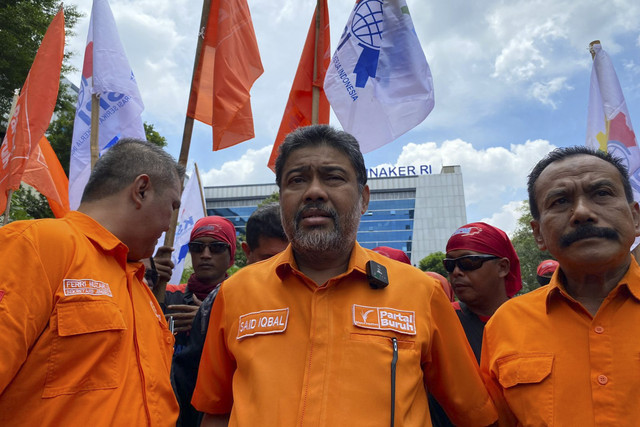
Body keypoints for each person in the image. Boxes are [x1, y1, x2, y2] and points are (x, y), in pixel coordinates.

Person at [192, 124, 497, 426]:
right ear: (282, 197)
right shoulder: (235, 293)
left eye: (333, 177)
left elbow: (474, 415)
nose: (313, 191)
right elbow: (216, 412)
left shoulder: (421, 293)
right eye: (297, 180)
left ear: (364, 198)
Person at [0, 138, 184, 426]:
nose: (169, 224)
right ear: (142, 190)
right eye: (173, 205)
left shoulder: (139, 287)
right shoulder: (38, 245)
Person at [481, 146, 640, 425]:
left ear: (635, 217)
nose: (582, 212)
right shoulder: (505, 324)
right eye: (559, 201)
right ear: (538, 234)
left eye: (602, 193)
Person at [173, 204, 288, 426]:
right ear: (247, 252)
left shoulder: (311, 296)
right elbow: (197, 392)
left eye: (216, 247)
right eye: (197, 247)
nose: (279, 267)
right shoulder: (221, 301)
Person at [445, 222, 522, 362]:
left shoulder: (534, 320)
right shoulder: (442, 321)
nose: (456, 272)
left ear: (502, 267)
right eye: (449, 265)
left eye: (468, 262)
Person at [164, 216, 236, 349]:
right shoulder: (168, 296)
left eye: (217, 247)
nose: (206, 255)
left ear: (231, 255)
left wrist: (212, 320)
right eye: (197, 247)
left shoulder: (241, 300)